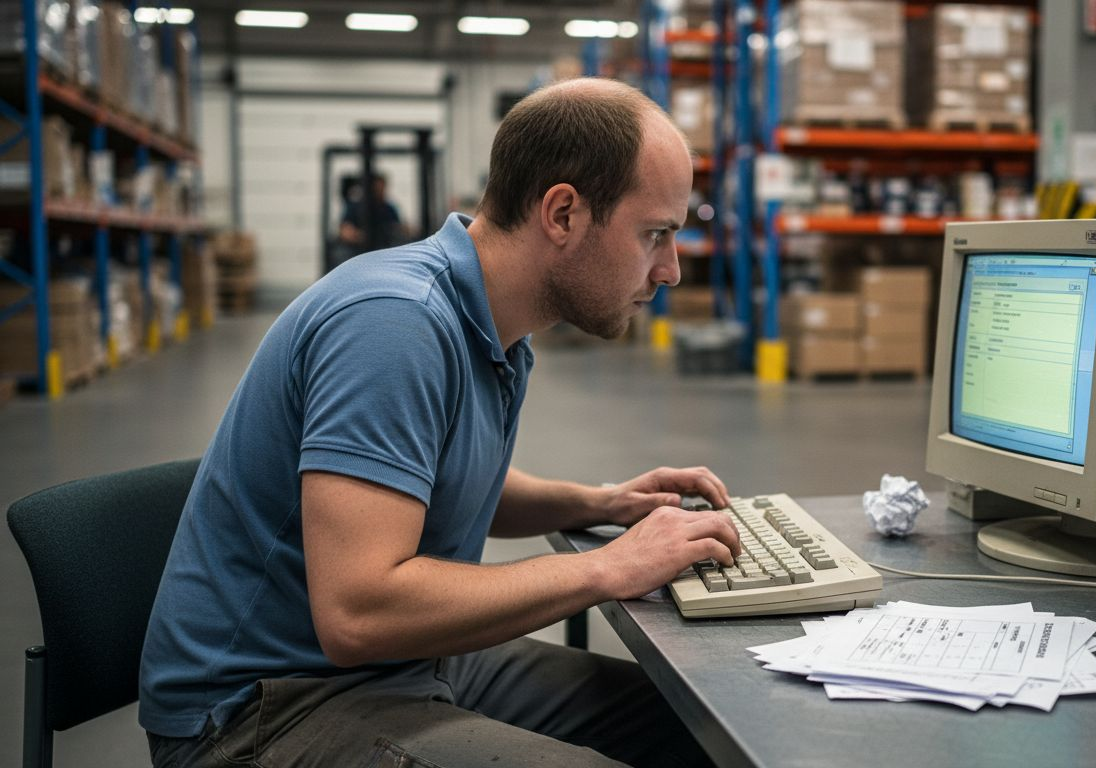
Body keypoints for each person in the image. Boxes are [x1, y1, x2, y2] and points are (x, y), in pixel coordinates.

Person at [139, 78, 741, 768]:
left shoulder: (492, 326)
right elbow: (359, 613)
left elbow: (436, 479)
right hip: (264, 710)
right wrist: (609, 567)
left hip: (403, 665)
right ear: (563, 213)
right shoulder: (395, 326)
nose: (670, 271)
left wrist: (598, 503)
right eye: (655, 234)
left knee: (698, 729)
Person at [338, 172, 410, 250]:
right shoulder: (355, 207)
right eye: (377, 188)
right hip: (358, 249)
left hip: (383, 248)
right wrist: (359, 236)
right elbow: (345, 231)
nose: (381, 191)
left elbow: (397, 227)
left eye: (382, 188)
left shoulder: (388, 208)